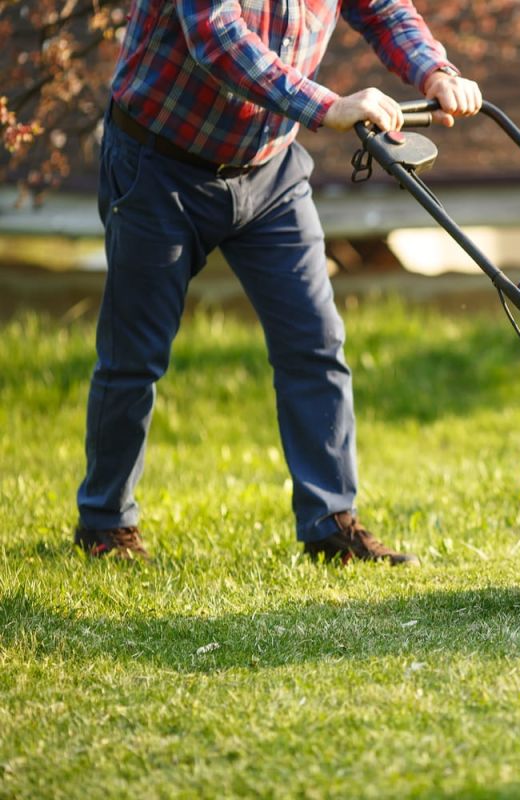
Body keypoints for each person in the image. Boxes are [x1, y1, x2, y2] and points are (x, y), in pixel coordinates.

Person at [73, 0, 482, 564]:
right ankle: (105, 522)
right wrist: (327, 105)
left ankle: (330, 523)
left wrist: (433, 70)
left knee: (315, 344)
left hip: (270, 172)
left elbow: (384, 9)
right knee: (134, 355)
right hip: (158, 163)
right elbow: (216, 38)